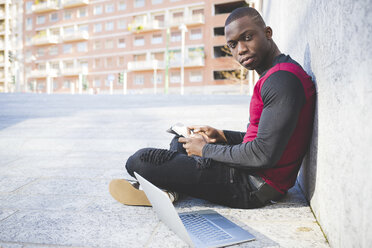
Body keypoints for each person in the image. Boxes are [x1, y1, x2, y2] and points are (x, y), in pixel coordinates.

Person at [109, 7, 316, 209]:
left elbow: (262, 154)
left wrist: (206, 149)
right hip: (252, 172)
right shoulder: (278, 74)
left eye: (248, 37)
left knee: (139, 161)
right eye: (233, 44)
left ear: (267, 33)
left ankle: (169, 188)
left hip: (251, 186)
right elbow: (267, 138)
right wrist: (222, 135)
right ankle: (170, 188)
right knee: (181, 141)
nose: (241, 49)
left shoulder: (281, 80)